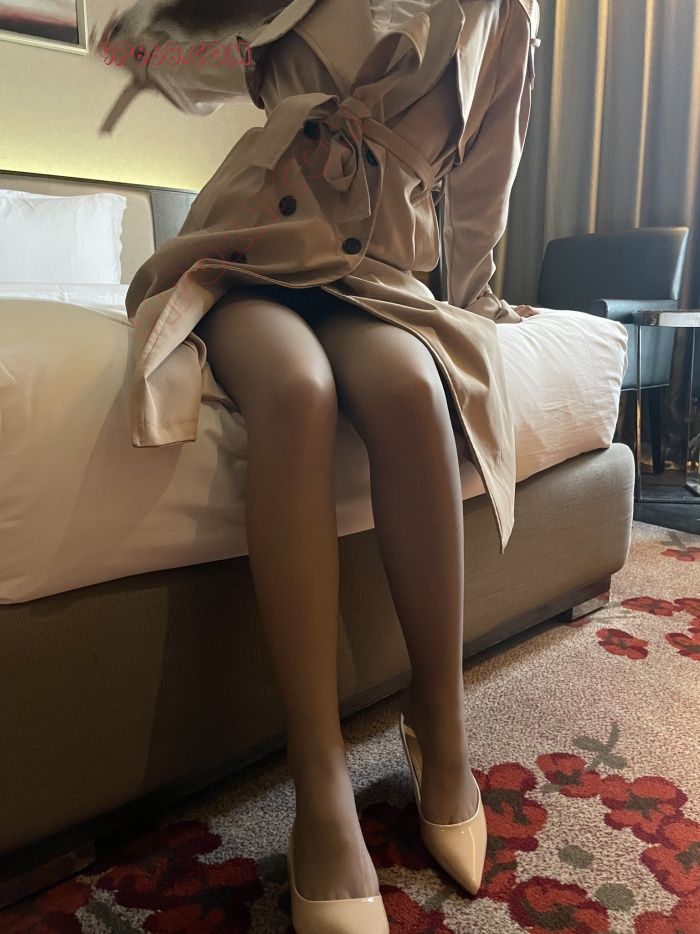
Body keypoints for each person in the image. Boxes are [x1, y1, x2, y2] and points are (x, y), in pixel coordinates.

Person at [91, 1, 541, 930]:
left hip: (380, 271)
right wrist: (228, 43)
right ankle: (319, 774)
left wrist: (476, 303)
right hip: (252, 244)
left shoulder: (508, 13)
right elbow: (160, 57)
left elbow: (484, 181)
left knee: (414, 393)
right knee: (298, 392)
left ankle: (439, 720)